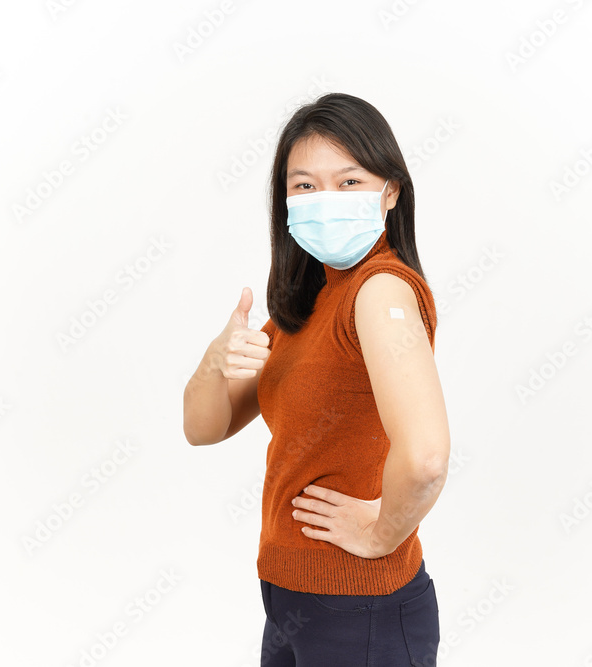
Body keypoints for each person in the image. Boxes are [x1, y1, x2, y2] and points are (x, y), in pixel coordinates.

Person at [183, 92, 450, 666]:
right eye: (304, 185)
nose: (325, 199)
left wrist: (381, 535)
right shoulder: (308, 304)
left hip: (360, 607)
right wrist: (215, 359)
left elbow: (427, 458)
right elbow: (203, 428)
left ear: (391, 190)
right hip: (292, 597)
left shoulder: (379, 291)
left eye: (349, 182)